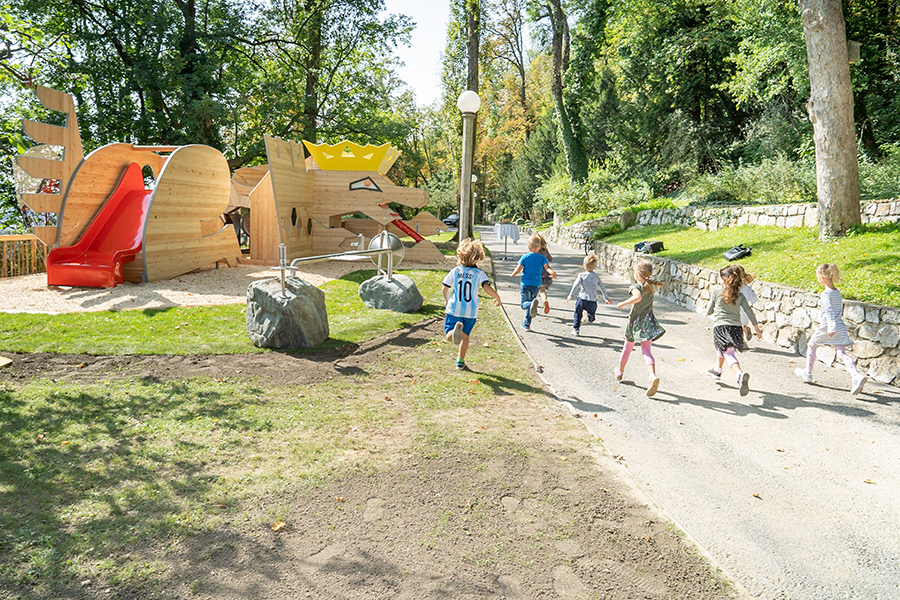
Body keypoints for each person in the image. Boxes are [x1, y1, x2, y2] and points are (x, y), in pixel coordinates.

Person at [794, 263, 867, 394]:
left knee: (811, 345)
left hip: (830, 326)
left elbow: (828, 310)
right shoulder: (836, 293)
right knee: (841, 353)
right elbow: (835, 310)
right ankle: (856, 376)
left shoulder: (826, 294)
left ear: (821, 278)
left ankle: (808, 373)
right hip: (839, 325)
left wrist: (830, 326)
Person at [442, 238, 502, 370]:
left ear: (460, 256)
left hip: (454, 309)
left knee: (449, 337)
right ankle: (460, 360)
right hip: (471, 311)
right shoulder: (480, 273)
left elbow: (444, 288)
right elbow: (486, 288)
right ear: (477, 258)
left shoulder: (455, 271)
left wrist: (447, 300)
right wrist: (497, 297)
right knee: (465, 337)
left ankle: (453, 331)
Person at [707, 264, 763, 396]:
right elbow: (749, 311)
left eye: (721, 279)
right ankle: (717, 369)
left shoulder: (716, 293)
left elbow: (709, 311)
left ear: (725, 280)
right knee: (724, 348)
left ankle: (739, 373)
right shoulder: (740, 296)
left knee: (729, 353)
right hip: (737, 328)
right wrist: (756, 328)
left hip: (721, 327)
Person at [614, 259, 666, 396]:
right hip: (648, 323)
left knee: (627, 347)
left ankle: (619, 372)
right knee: (646, 352)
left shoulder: (635, 287)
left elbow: (637, 298)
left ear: (637, 275)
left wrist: (622, 303)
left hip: (635, 323)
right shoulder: (651, 287)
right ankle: (652, 375)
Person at [510, 233, 557, 331]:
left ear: (528, 247)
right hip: (536, 285)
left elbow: (518, 269)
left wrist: (513, 274)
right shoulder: (542, 258)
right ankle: (527, 324)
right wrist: (551, 272)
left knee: (524, 304)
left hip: (526, 284)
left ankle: (530, 309)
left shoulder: (525, 257)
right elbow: (547, 268)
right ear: (540, 247)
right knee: (531, 306)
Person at [566, 252, 611, 336]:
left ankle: (576, 329)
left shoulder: (581, 275)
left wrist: (571, 294)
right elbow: (602, 287)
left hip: (582, 298)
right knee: (591, 315)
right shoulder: (596, 277)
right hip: (592, 300)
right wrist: (606, 297)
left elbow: (575, 285)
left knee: (577, 314)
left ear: (584, 266)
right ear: (595, 267)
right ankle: (590, 316)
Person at [536, 233, 554, 314]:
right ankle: (544, 300)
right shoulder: (545, 250)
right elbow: (550, 259)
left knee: (533, 291)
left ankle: (533, 305)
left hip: (535, 273)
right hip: (544, 272)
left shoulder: (534, 250)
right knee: (542, 290)